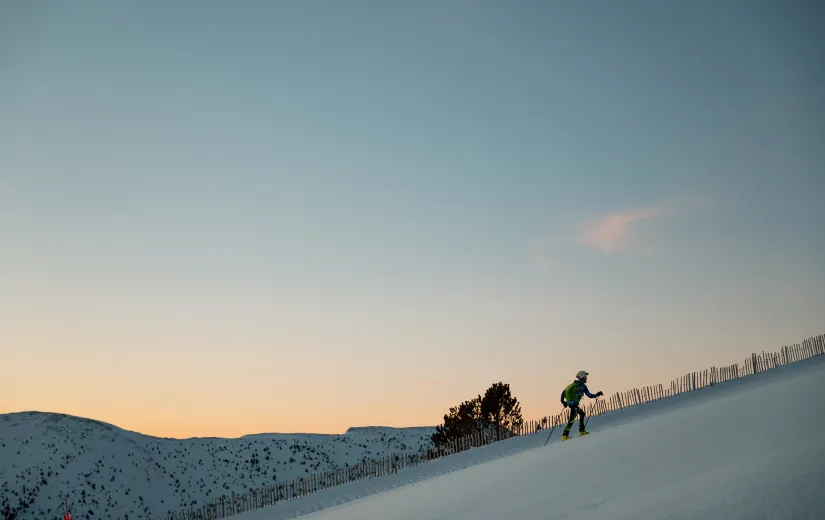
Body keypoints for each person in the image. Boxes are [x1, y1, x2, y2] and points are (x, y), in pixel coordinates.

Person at [560, 370, 603, 440]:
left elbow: (563, 392)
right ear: (582, 377)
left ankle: (580, 431)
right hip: (574, 405)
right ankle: (565, 435)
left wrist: (563, 402)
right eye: (585, 377)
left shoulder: (572, 385)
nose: (586, 378)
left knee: (582, 414)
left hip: (571, 404)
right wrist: (597, 394)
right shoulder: (583, 386)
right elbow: (589, 395)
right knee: (572, 420)